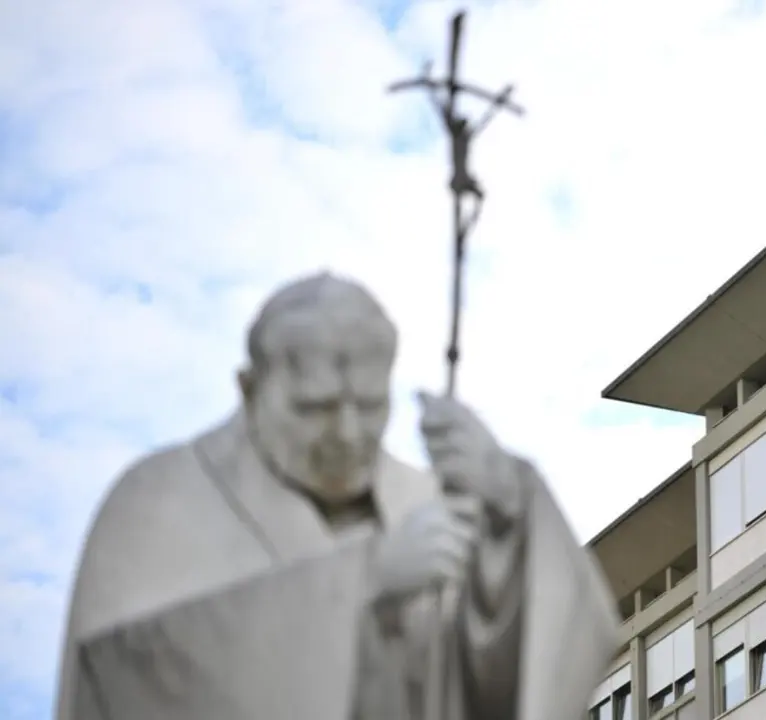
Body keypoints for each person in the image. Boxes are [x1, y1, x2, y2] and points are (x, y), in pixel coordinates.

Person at [54, 272, 618, 720]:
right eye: (315, 408)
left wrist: (508, 513)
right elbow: (131, 682)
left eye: (370, 405)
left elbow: (516, 689)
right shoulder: (159, 503)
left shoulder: (421, 505)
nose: (348, 435)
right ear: (250, 391)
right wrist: (363, 583)